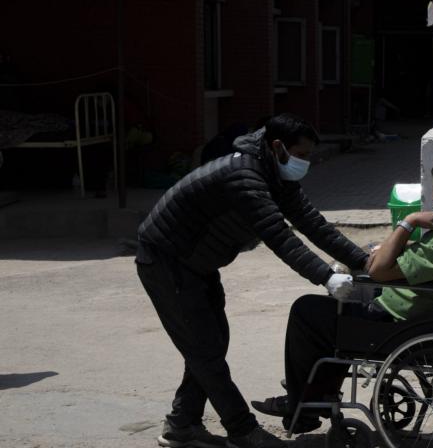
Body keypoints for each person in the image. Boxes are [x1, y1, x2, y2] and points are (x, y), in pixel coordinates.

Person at [136, 113, 368, 448]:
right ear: (278, 147)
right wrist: (327, 278)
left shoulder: (274, 173)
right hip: (167, 259)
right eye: (301, 155)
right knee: (205, 349)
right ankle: (242, 431)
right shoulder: (244, 177)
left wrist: (361, 261)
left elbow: (312, 222)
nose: (306, 163)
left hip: (196, 263)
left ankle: (181, 424)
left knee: (211, 343)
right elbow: (280, 236)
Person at [252, 154, 433, 433]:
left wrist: (410, 221)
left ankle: (302, 406)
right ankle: (313, 390)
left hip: (401, 323)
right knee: (340, 306)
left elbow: (380, 271)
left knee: (307, 310)